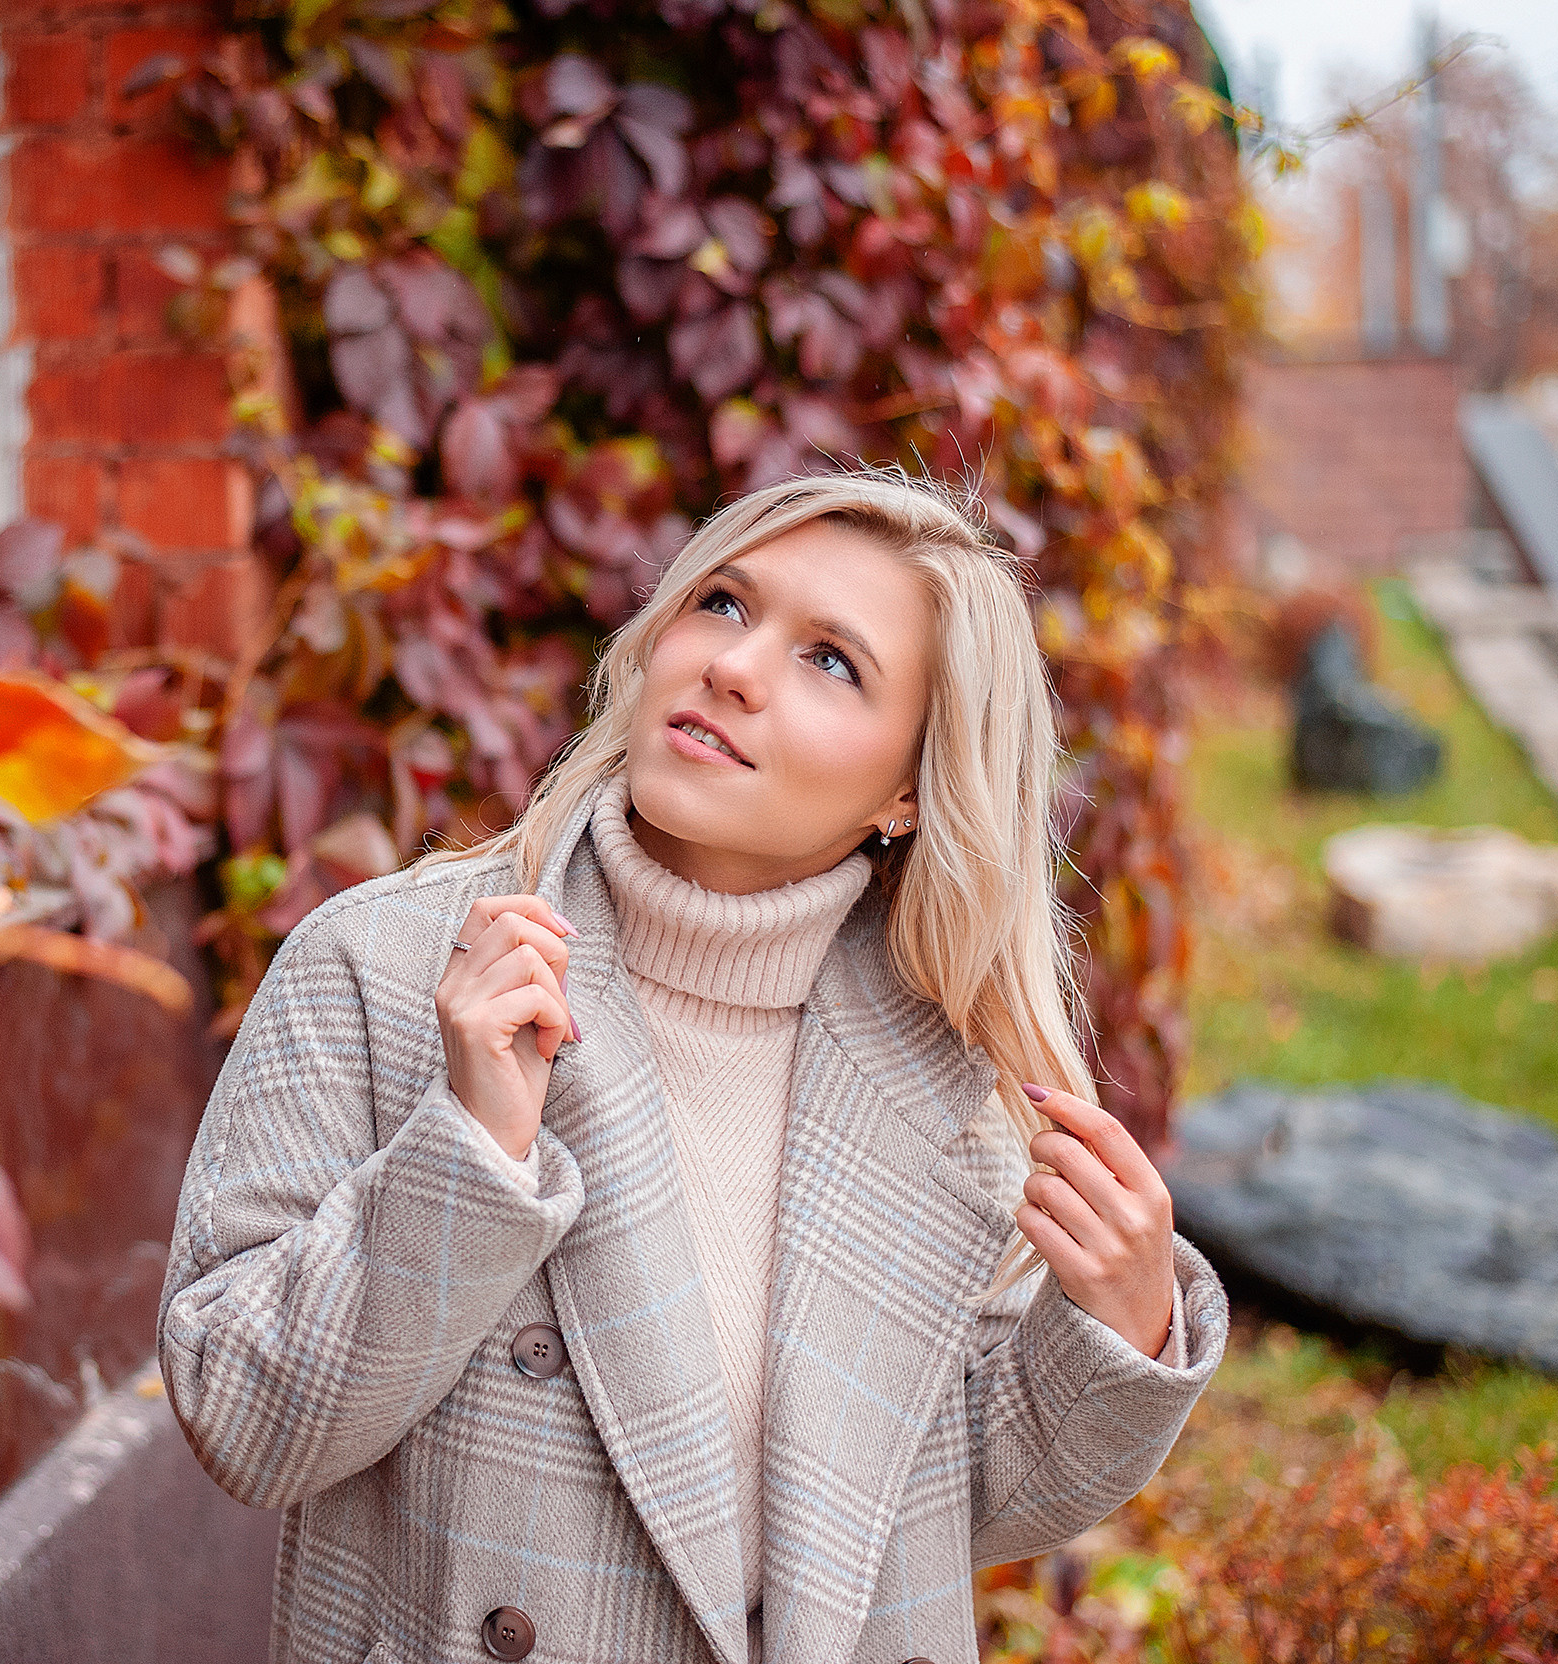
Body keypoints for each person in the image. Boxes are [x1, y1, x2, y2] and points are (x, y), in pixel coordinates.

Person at [156, 468, 1227, 1664]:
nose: (734, 664)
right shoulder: (390, 968)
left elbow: (952, 1500)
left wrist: (1120, 1329)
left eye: (832, 660)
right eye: (722, 602)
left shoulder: (944, 1073)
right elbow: (242, 1420)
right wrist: (465, 1156)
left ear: (908, 791)